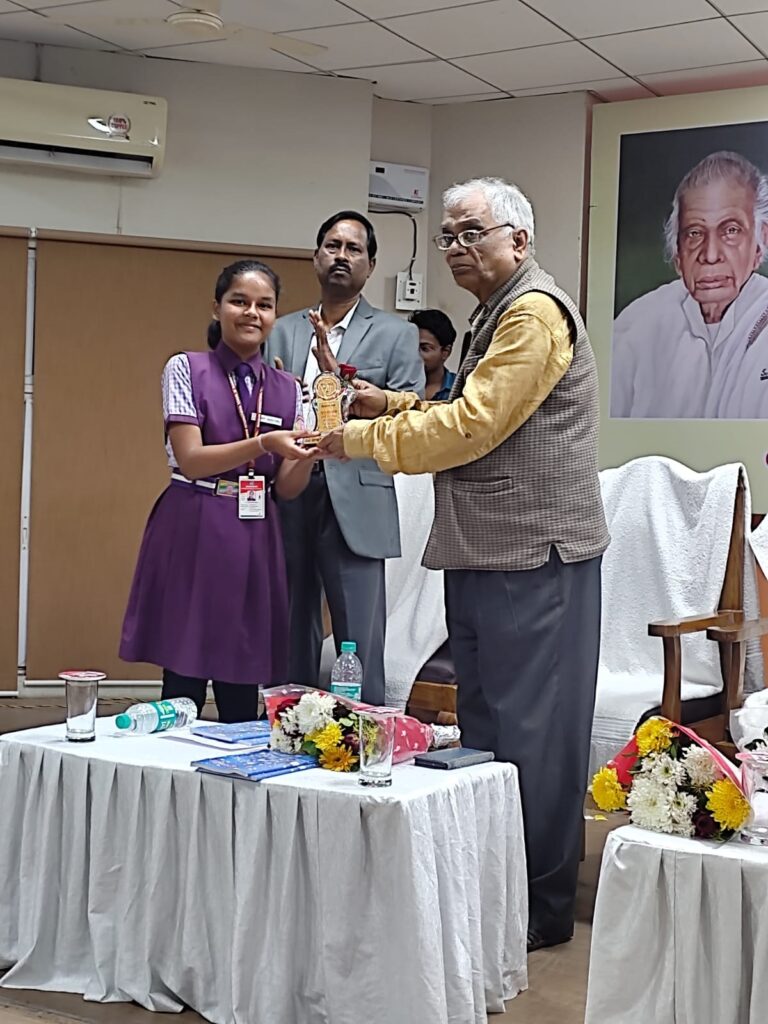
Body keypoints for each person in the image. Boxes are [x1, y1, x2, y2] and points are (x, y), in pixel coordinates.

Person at [319, 178, 609, 951]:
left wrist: (356, 441)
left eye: (468, 232)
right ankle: (493, 891)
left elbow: (473, 428)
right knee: (488, 729)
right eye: (445, 236)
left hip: (534, 556)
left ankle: (538, 910)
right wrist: (386, 405)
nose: (452, 248)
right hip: (488, 551)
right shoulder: (495, 311)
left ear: (518, 238)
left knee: (533, 739)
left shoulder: (535, 312)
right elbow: (461, 411)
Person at [120, 259, 319, 723]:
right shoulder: (187, 369)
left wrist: (310, 456)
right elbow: (191, 457)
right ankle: (169, 778)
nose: (252, 313)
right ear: (217, 307)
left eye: (264, 305)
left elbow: (286, 489)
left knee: (242, 669)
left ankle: (239, 779)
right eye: (239, 301)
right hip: (194, 516)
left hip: (255, 528)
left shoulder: (292, 390)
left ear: (275, 316)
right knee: (184, 671)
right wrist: (266, 442)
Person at [267, 210, 423, 705]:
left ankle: (360, 739)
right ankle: (284, 725)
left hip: (357, 491)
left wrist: (354, 391)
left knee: (358, 633)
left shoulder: (396, 334)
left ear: (371, 265)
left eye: (354, 249)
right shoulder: (283, 330)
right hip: (290, 490)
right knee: (288, 622)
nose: (341, 255)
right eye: (332, 245)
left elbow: (410, 414)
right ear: (316, 257)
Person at [612, 150, 768, 419]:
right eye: (694, 234)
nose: (709, 255)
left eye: (730, 231)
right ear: (677, 255)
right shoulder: (636, 328)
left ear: (759, 243)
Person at [410, 308, 457, 400]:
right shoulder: (398, 384)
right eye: (411, 347)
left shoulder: (460, 389)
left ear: (445, 352)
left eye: (424, 348)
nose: (415, 355)